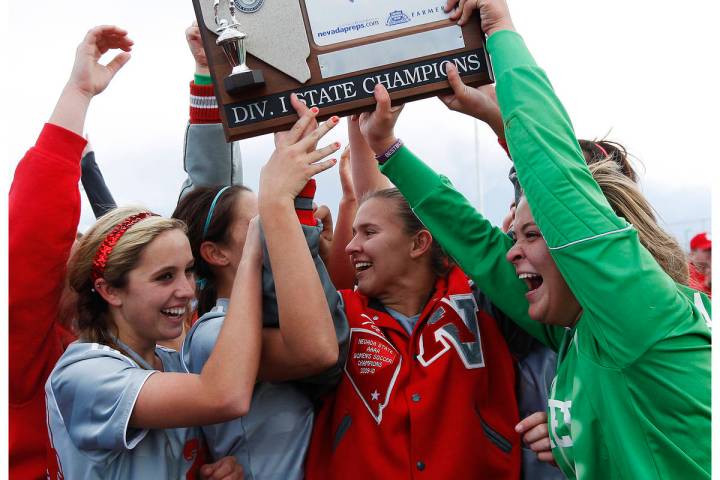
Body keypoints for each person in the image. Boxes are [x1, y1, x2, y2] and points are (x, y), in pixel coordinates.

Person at [355, 0, 711, 477]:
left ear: (583, 239)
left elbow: (554, 174)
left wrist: (499, 28)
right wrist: (387, 149)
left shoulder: (643, 316)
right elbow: (479, 247)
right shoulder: (584, 329)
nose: (513, 250)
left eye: (532, 235)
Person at [9, 25, 132, 479]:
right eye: (75, 254)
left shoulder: (125, 344)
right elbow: (34, 236)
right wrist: (78, 93)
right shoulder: (24, 354)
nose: (88, 270)